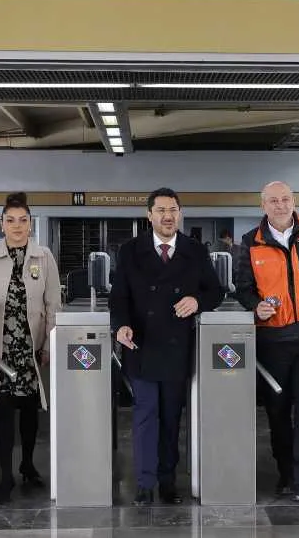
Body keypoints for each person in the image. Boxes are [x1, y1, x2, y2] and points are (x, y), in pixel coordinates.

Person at [110, 188, 224, 505]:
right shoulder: (130, 251)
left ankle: (167, 482)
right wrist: (120, 326)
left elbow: (217, 292)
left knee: (172, 417)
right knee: (146, 416)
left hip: (177, 348)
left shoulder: (195, 251)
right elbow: (118, 297)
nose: (167, 216)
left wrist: (197, 300)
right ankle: (145, 484)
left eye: (172, 209)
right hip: (140, 345)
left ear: (180, 213)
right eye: (160, 210)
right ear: (149, 216)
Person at [234, 181, 299, 502]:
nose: (280, 205)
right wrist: (255, 305)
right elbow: (242, 287)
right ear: (263, 205)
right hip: (273, 340)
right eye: (273, 200)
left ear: (294, 201)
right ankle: (286, 474)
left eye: (285, 199)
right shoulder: (250, 242)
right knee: (278, 410)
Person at [0, 192, 61, 503]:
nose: (17, 226)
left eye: (23, 220)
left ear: (30, 223)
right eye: (11, 220)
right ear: (2, 223)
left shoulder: (43, 256)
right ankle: (6, 475)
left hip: (30, 348)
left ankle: (28, 464)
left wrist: (49, 342)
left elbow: (53, 305)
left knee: (29, 411)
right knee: (3, 413)